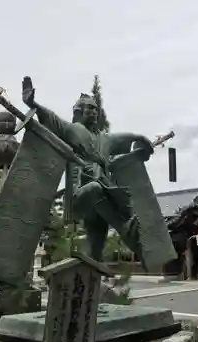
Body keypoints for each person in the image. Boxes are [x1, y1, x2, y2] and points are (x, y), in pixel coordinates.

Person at [22, 77, 155, 268]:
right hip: (81, 195)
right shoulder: (74, 130)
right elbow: (54, 120)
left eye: (95, 109)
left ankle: (92, 280)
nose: (94, 112)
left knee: (95, 249)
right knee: (94, 189)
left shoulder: (105, 139)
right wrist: (32, 103)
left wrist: (140, 137)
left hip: (105, 198)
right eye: (89, 108)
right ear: (79, 111)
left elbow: (124, 138)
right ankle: (125, 230)